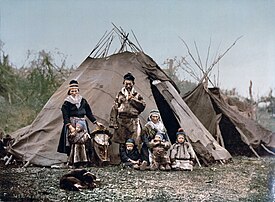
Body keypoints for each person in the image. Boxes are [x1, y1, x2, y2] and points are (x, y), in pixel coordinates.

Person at [57, 80, 103, 163]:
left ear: (78, 91)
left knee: (84, 141)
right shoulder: (66, 103)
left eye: (75, 91)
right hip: (72, 123)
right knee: (72, 141)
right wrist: (70, 127)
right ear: (69, 92)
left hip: (82, 123)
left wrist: (96, 122)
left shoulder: (83, 101)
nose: (74, 93)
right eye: (72, 91)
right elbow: (65, 116)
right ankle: (72, 160)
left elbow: (89, 113)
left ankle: (84, 160)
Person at [109, 72, 146, 146]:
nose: (128, 86)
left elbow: (142, 106)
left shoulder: (137, 95)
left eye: (130, 84)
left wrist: (132, 100)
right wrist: (114, 122)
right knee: (122, 143)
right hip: (121, 121)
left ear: (133, 83)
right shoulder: (120, 95)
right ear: (123, 83)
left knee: (134, 142)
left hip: (133, 121)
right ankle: (124, 157)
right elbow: (115, 108)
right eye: (126, 84)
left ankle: (133, 157)